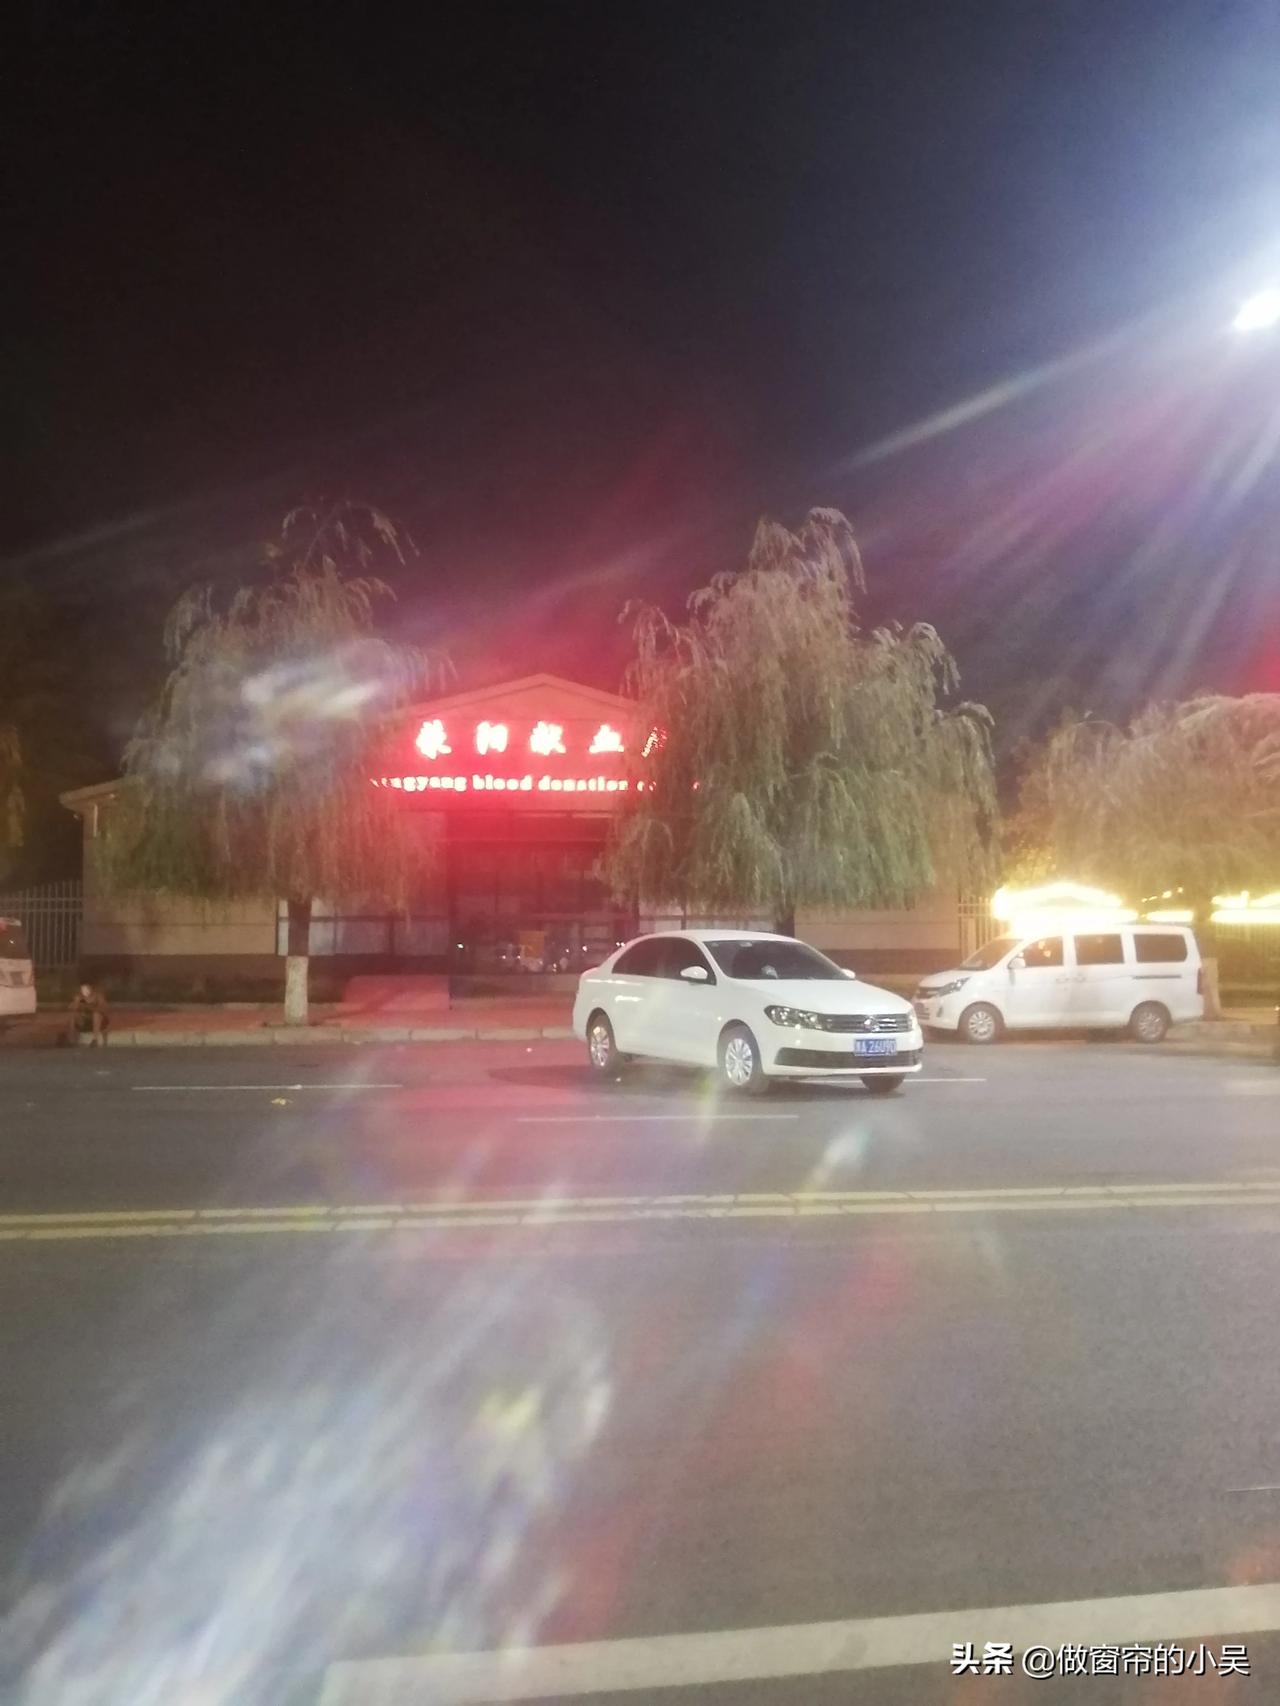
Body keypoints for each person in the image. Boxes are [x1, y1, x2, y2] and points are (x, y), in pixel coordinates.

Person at [68, 981, 110, 1046]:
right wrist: (76, 1002)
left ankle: (95, 1040)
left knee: (96, 1014)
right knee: (73, 1015)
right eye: (83, 989)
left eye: (87, 989)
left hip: (99, 1019)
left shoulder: (97, 996)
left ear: (91, 989)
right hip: (84, 1019)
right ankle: (72, 1040)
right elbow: (71, 1007)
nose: (85, 991)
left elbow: (104, 1008)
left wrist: (90, 1007)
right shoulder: (79, 997)